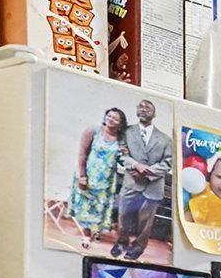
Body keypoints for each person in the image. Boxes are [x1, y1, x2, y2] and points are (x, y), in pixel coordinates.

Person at [110, 99, 173, 260]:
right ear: (137, 111)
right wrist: (136, 166)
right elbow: (121, 154)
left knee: (146, 222)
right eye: (141, 106)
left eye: (148, 107)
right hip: (131, 181)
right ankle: (122, 242)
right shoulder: (126, 132)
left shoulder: (165, 139)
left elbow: (168, 162)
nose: (144, 109)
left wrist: (147, 172)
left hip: (152, 186)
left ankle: (138, 247)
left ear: (155, 113)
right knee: (123, 216)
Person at [71, 107, 127, 250]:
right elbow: (82, 154)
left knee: (101, 207)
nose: (111, 119)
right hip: (90, 176)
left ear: (120, 124)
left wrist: (126, 155)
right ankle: (86, 235)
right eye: (109, 116)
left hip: (107, 180)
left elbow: (121, 161)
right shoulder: (93, 131)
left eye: (115, 118)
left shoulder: (120, 141)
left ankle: (95, 231)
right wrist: (82, 176)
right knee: (86, 207)